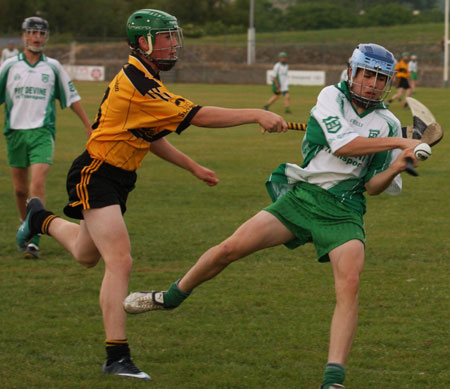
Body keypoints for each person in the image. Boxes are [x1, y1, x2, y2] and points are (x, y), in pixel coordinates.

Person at [123, 43, 422, 388]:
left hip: (345, 210)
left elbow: (373, 186)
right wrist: (401, 144)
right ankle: (170, 297)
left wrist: (398, 163)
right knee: (228, 249)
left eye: (380, 77)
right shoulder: (331, 97)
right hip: (302, 198)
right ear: (352, 72)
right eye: (367, 74)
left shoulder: (386, 122)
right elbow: (343, 145)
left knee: (350, 286)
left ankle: (333, 379)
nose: (371, 83)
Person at [16, 9, 286, 381]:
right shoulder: (139, 85)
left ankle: (38, 218)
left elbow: (151, 135)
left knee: (84, 253)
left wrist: (193, 167)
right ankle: (116, 355)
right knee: (120, 260)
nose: (173, 44)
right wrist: (256, 113)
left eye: (174, 36)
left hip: (118, 178)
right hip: (96, 174)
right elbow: (199, 115)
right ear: (143, 43)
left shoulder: (146, 78)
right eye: (165, 38)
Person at [0, 16, 91, 259]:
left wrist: (87, 124)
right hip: (15, 133)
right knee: (19, 190)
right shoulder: (9, 66)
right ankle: (25, 225)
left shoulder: (52, 67)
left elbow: (71, 97)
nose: (37, 37)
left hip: (42, 132)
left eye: (41, 33)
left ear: (46, 37)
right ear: (23, 36)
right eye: (32, 33)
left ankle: (35, 238)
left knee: (36, 184)